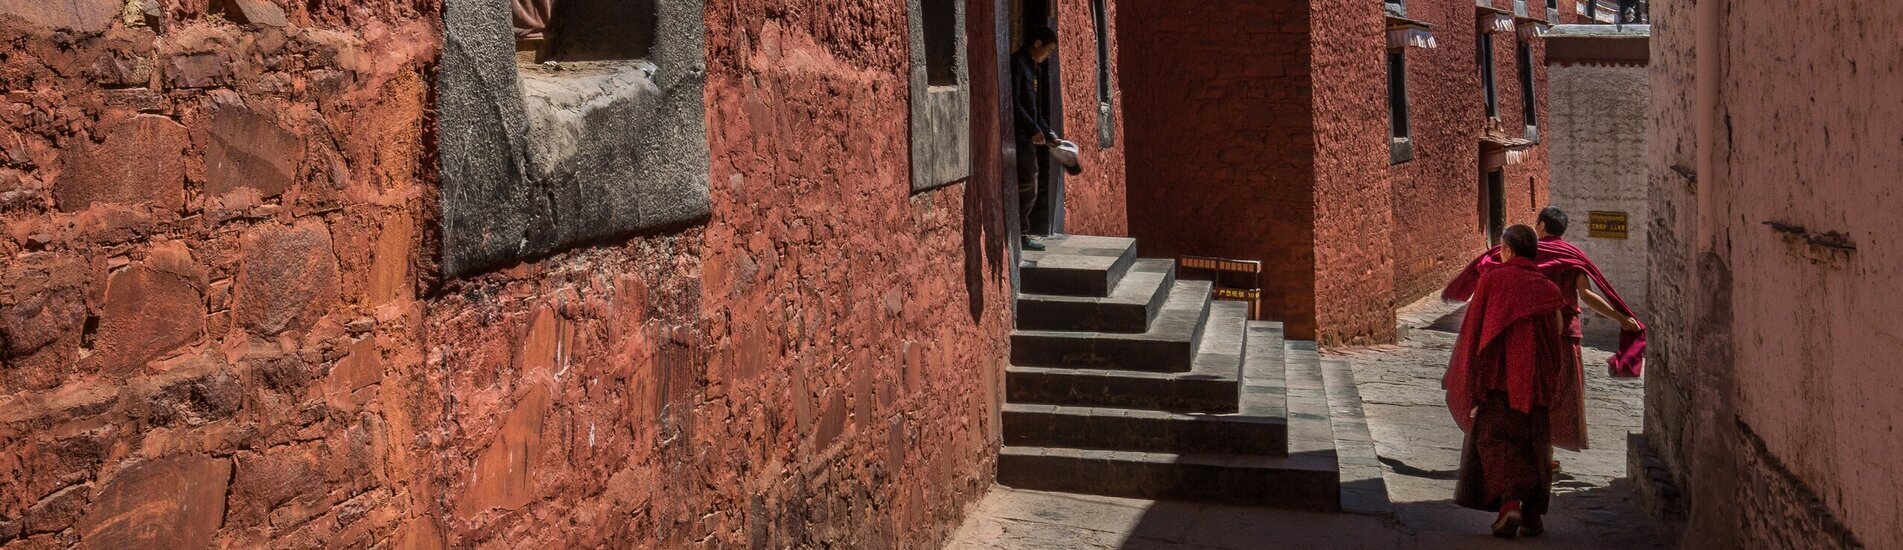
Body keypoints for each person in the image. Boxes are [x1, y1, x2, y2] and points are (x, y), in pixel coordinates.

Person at [1444, 207, 1646, 454]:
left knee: (1522, 391)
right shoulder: (1571, 256)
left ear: (1540, 225)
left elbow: (1495, 273)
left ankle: (1526, 449)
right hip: (1564, 337)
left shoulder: (1526, 252)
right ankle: (1545, 452)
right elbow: (1586, 295)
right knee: (1557, 395)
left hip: (1523, 335)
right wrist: (1620, 318)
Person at [1443, 225, 1572, 538]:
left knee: (1496, 440)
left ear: (1509, 250)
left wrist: (1466, 374)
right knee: (1535, 444)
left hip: (1497, 380)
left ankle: (1510, 503)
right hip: (1536, 382)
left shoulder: (1493, 280)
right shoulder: (1549, 289)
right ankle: (1531, 516)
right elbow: (1557, 334)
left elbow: (1474, 329)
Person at [1012, 27, 1062, 251]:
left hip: (1028, 136)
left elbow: (1036, 111)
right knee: (1028, 186)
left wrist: (1049, 134)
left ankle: (1022, 232)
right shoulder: (1018, 64)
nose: (1048, 55)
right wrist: (1032, 128)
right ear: (1038, 43)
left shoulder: (1034, 69)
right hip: (1019, 136)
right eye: (1049, 50)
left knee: (1030, 184)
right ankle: (1021, 234)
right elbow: (1013, 102)